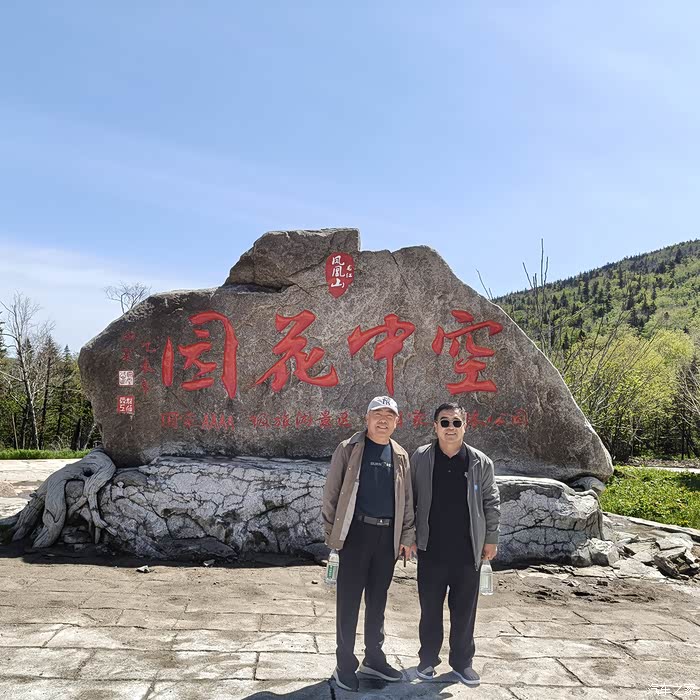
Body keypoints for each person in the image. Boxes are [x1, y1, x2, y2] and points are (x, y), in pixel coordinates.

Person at [322, 395, 416, 692]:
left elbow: (407, 500)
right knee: (348, 601)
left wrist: (407, 536)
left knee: (378, 600)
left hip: (387, 538)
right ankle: (344, 664)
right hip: (355, 534)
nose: (383, 420)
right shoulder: (348, 448)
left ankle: (374, 658)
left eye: (389, 415)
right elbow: (331, 493)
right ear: (367, 418)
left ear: (397, 421)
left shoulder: (400, 454)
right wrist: (333, 533)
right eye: (377, 414)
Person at [410, 402, 500, 686]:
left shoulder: (480, 462)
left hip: (467, 550)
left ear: (465, 426)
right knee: (430, 610)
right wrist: (408, 537)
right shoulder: (421, 458)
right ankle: (427, 659)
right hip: (431, 549)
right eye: (445, 422)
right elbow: (409, 499)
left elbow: (491, 502)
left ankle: (462, 663)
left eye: (456, 422)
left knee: (464, 611)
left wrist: (491, 539)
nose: (451, 428)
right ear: (435, 426)